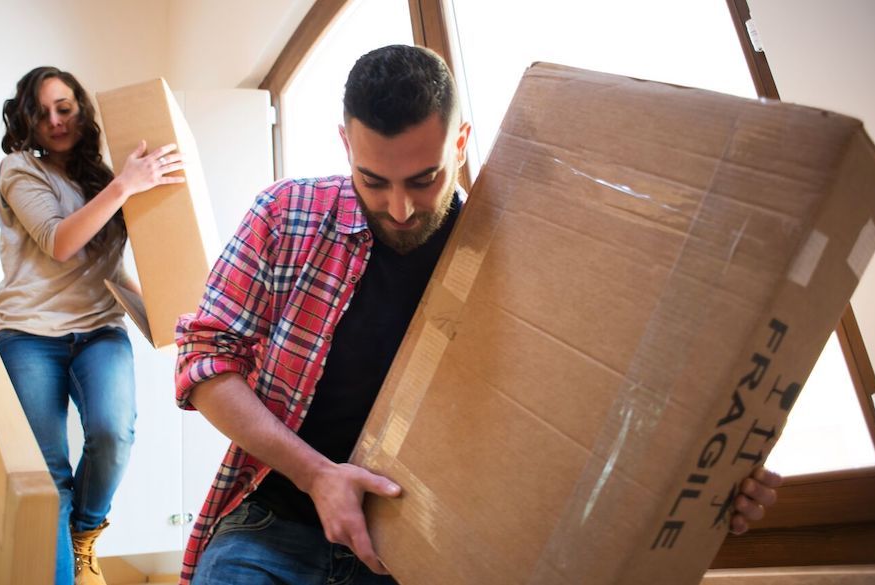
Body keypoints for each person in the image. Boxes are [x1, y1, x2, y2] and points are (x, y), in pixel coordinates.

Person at [174, 45, 782, 585]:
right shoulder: (287, 214)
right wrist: (315, 475)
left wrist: (706, 473)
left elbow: (598, 399)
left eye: (425, 178)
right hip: (274, 521)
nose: (402, 208)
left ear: (460, 143)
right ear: (345, 144)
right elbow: (204, 360)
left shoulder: (519, 252)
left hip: (419, 551)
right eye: (374, 181)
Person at [0, 66, 184, 585]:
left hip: (99, 329)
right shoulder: (19, 170)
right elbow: (59, 242)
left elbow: (108, 267)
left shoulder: (101, 177)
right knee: (49, 472)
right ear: (27, 121)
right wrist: (126, 184)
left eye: (65, 108)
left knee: (113, 432)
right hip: (28, 335)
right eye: (43, 112)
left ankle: (85, 531)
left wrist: (168, 318)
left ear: (81, 111)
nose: (55, 121)